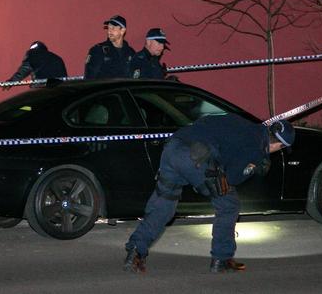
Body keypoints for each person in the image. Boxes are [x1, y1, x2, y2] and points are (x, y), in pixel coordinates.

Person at [123, 116, 295, 274]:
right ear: (279, 145)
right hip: (197, 156)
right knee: (229, 205)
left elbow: (208, 123)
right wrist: (254, 169)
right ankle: (222, 258)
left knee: (164, 205)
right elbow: (233, 178)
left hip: (172, 148)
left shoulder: (244, 124)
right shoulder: (256, 148)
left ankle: (135, 253)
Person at [84, 15, 135, 79]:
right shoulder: (98, 51)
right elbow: (89, 79)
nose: (109, 31)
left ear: (122, 31)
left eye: (113, 28)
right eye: (108, 28)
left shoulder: (131, 53)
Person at [3, 40, 68, 90]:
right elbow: (64, 78)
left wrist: (12, 81)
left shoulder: (32, 53)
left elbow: (24, 69)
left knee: (28, 106)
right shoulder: (57, 58)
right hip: (59, 89)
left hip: (42, 87)